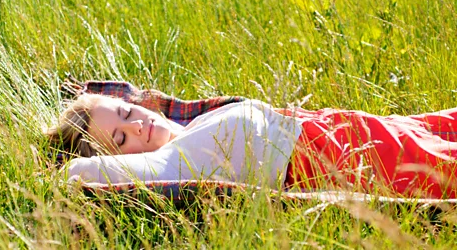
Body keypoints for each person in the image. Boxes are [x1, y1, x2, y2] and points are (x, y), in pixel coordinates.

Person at [48, 90, 457, 199]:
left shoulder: (188, 120)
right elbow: (78, 173)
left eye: (125, 113)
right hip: (348, 160)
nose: (137, 125)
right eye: (120, 139)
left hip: (353, 129)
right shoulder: (171, 162)